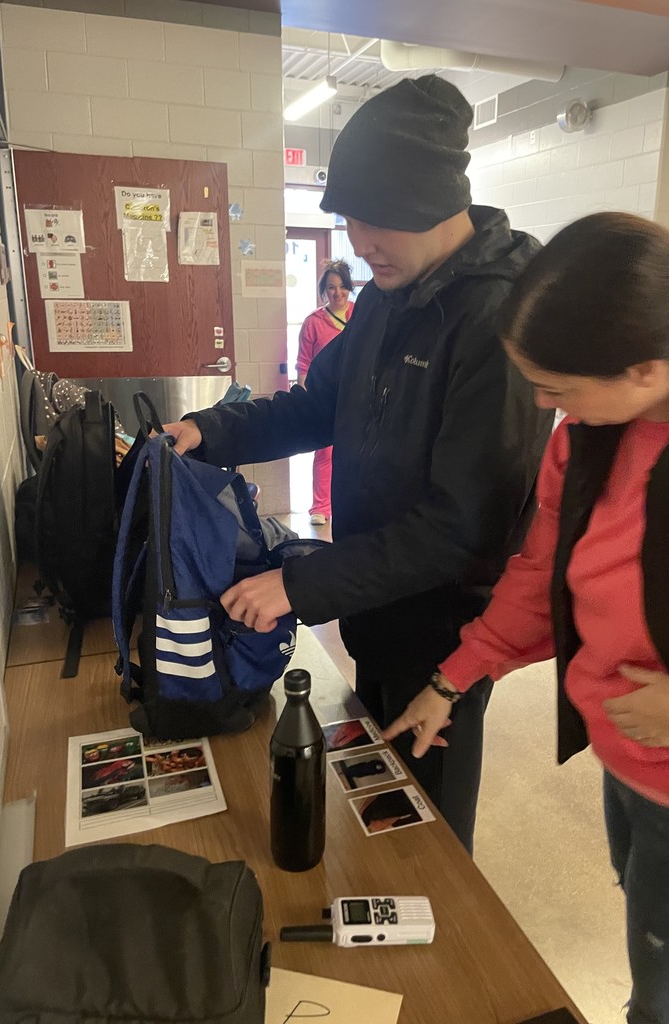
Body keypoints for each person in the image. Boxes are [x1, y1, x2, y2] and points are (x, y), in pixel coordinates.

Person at [383, 212, 669, 1023]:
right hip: (635, 765)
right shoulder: (590, 436)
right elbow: (540, 580)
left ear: (645, 369)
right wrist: (452, 680)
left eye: (557, 388)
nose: (544, 405)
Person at [163, 74, 552, 851]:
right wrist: (207, 431)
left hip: (442, 637)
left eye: (373, 221)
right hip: (373, 609)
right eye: (349, 221)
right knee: (378, 810)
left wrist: (298, 585)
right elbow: (315, 406)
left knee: (428, 841)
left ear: (431, 200)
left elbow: (462, 531)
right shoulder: (383, 299)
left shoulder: (499, 318)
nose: (357, 243)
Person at [295, 259, 354, 525]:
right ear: (323, 290)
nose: (337, 292)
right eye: (331, 287)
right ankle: (320, 506)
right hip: (325, 396)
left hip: (357, 394)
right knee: (324, 452)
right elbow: (304, 363)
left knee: (355, 451)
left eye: (342, 286)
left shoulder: (361, 314)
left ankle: (351, 505)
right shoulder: (313, 322)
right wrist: (305, 397)